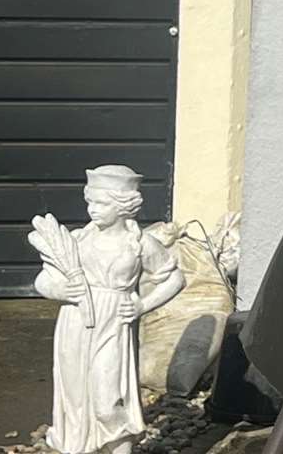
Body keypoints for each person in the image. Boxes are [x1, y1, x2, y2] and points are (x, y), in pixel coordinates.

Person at [32, 166, 184, 454]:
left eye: (101, 203)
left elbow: (174, 278)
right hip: (75, 321)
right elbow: (43, 279)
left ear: (123, 206)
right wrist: (59, 290)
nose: (92, 209)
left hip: (113, 324)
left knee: (108, 399)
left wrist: (142, 305)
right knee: (77, 399)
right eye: (89, 202)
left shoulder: (140, 244)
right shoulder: (75, 240)